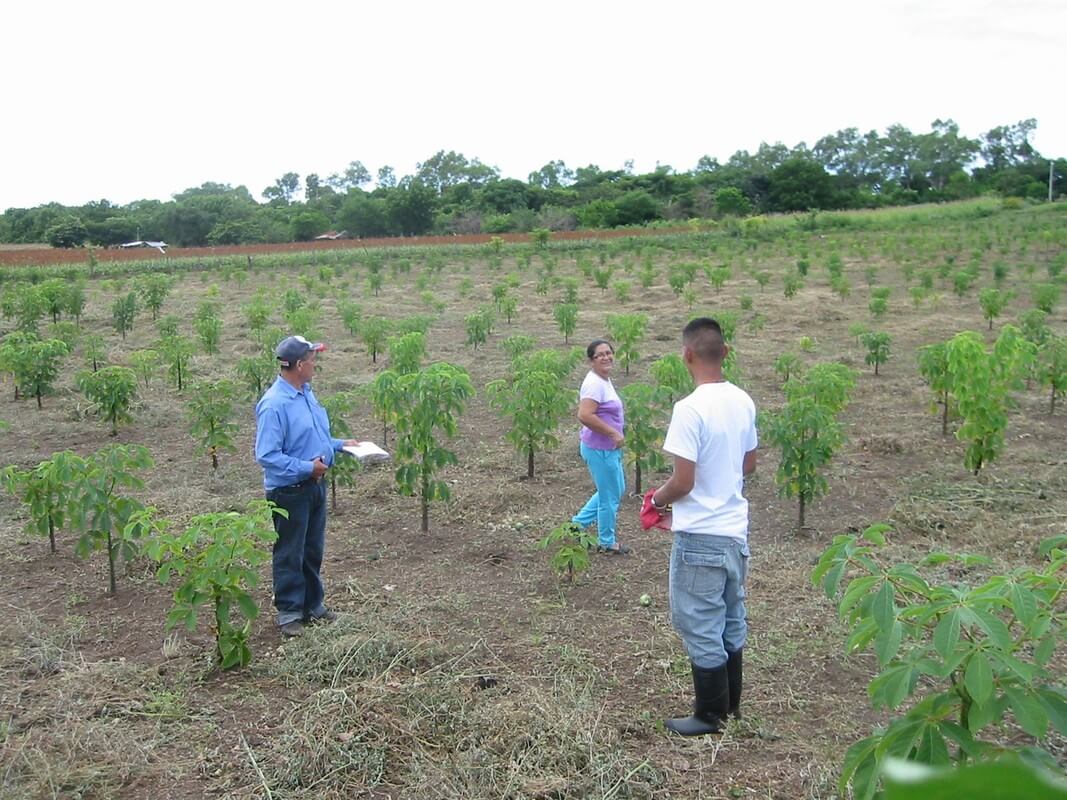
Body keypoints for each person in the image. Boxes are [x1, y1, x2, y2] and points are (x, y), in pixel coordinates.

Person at [648, 317, 757, 735]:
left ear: (686, 355)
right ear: (725, 353)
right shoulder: (743, 400)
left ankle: (709, 715)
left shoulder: (689, 409)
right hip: (734, 532)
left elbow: (683, 481)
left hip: (701, 537)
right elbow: (748, 463)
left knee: (698, 618)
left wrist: (655, 501)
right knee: (730, 616)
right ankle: (731, 707)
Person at [255, 335, 360, 638]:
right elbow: (267, 455)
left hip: (314, 485)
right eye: (313, 359)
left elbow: (311, 437)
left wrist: (339, 445)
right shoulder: (274, 405)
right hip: (290, 491)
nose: (316, 364)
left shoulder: (305, 393)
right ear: (299, 365)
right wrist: (306, 468)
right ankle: (290, 612)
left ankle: (313, 604)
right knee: (290, 551)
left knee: (312, 549)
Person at [572, 338, 630, 554]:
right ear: (591, 361)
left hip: (606, 448)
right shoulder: (594, 384)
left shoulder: (603, 379)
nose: (606, 357)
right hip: (600, 449)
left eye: (608, 353)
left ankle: (576, 526)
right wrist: (613, 432)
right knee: (609, 497)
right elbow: (584, 415)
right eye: (600, 355)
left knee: (614, 490)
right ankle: (607, 542)